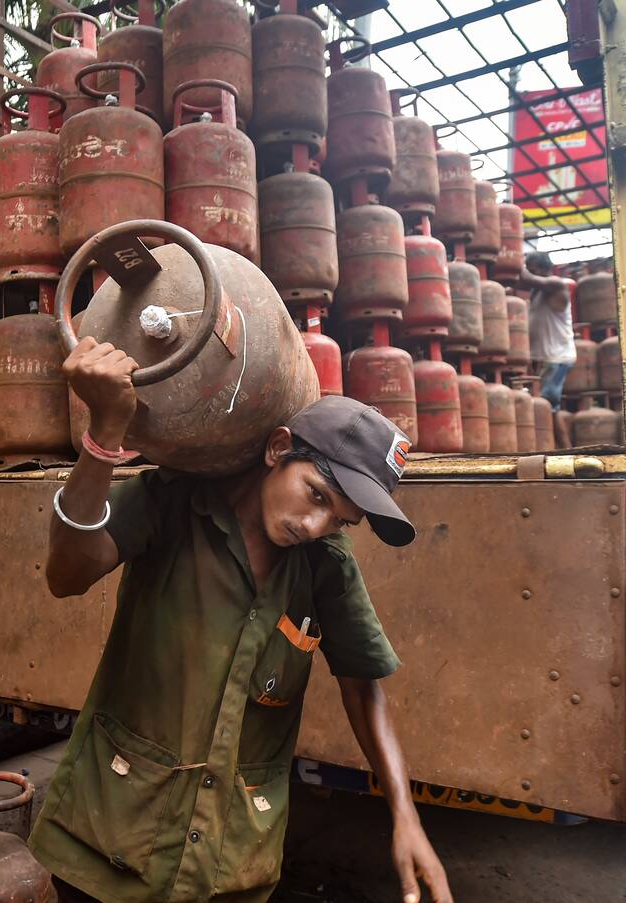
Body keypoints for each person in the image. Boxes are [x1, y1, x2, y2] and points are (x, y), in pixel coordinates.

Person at [29, 337, 453, 903]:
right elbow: (65, 575)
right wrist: (105, 434)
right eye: (317, 494)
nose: (316, 524)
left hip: (230, 864)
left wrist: (406, 817)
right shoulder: (171, 503)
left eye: (339, 520)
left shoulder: (324, 565)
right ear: (279, 449)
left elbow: (362, 687)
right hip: (110, 838)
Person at [522, 251, 577, 413]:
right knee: (546, 407)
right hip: (545, 358)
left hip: (557, 357)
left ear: (542, 268)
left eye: (532, 269)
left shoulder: (555, 284)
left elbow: (526, 278)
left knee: (547, 407)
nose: (530, 272)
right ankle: (553, 438)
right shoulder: (537, 291)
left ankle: (554, 439)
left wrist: (511, 259)